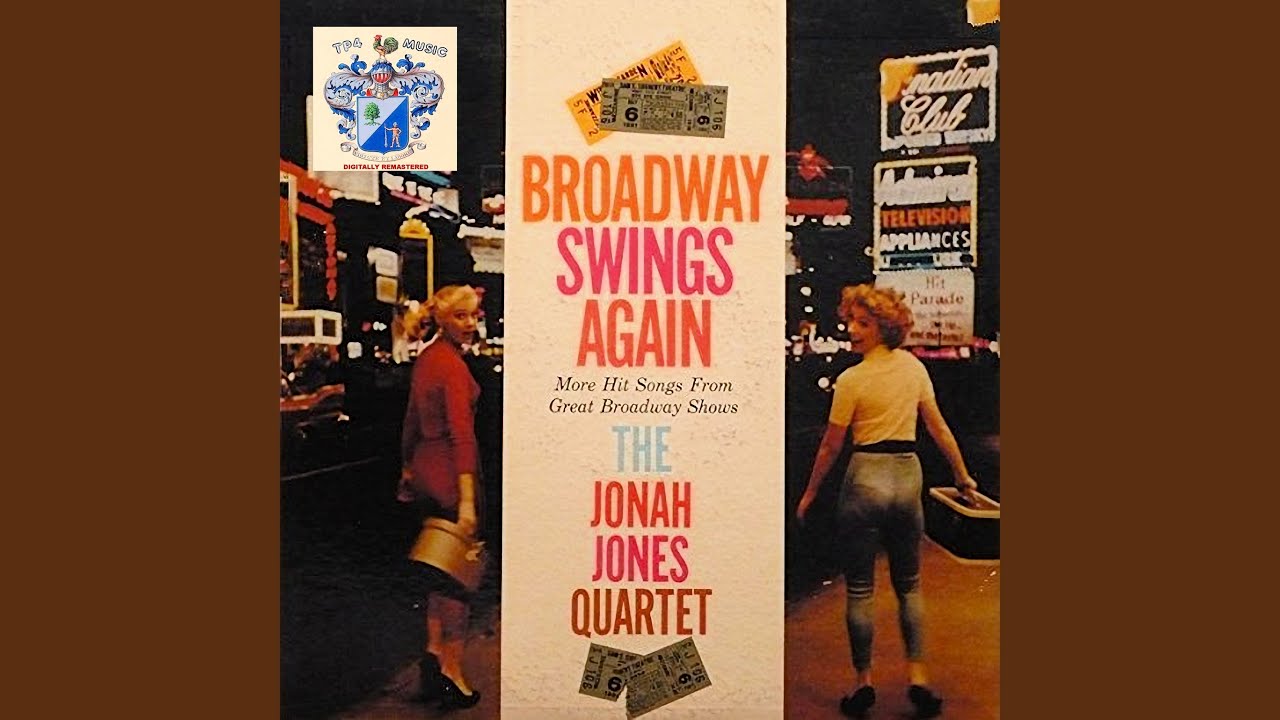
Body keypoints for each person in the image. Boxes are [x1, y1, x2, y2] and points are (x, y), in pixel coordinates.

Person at [796, 284, 979, 719]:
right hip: (907, 476)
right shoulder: (913, 369)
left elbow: (830, 446)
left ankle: (863, 683)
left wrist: (809, 494)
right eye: (850, 322)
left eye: (863, 323)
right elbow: (938, 428)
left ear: (884, 327)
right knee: (909, 585)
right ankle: (918, 678)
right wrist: (962, 475)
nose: (852, 330)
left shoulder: (850, 380)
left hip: (865, 477)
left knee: (860, 588)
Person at [398, 285, 483, 710]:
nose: (470, 324)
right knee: (459, 580)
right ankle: (453, 671)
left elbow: (411, 421)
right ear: (444, 319)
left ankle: (432, 656)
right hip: (451, 477)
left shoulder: (428, 358)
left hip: (425, 472)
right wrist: (467, 500)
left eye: (474, 315)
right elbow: (461, 436)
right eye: (461, 317)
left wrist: (407, 468)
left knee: (436, 571)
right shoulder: (451, 367)